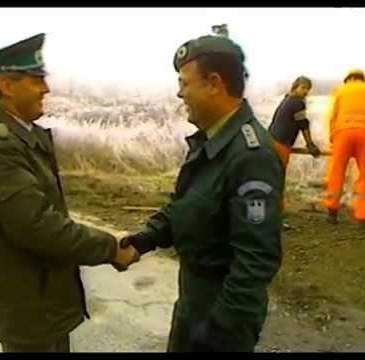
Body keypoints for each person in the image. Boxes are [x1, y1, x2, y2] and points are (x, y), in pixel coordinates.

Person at [0, 33, 139, 352]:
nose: (46, 89)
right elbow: (43, 228)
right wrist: (111, 247)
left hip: (43, 304)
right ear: (7, 85)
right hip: (28, 313)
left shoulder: (22, 138)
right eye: (36, 79)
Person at [121, 34, 285, 352]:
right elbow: (186, 205)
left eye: (184, 83)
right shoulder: (211, 140)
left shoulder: (251, 155)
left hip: (220, 315)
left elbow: (256, 260)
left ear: (213, 83)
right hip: (193, 300)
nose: (179, 92)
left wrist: (219, 329)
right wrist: (143, 241)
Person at [322, 69, 365, 228]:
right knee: (364, 176)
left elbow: (333, 115)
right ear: (361, 79)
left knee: (336, 172)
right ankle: (363, 217)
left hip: (342, 133)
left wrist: (332, 137)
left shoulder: (341, 90)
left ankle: (332, 212)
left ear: (348, 79)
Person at [268, 76, 321, 171]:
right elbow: (303, 124)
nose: (306, 91)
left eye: (308, 89)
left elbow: (274, 118)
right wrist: (310, 144)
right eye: (303, 88)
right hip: (282, 142)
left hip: (272, 139)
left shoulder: (287, 99)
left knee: (272, 171)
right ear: (295, 87)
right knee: (279, 172)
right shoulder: (298, 103)